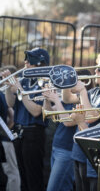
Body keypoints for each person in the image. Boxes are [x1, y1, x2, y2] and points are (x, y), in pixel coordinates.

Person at [62, 50, 100, 191]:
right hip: (79, 149)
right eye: (96, 67)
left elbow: (90, 116)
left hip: (92, 154)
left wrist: (83, 91)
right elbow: (67, 99)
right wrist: (66, 82)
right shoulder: (94, 92)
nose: (95, 71)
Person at [3, 47, 50, 191]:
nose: (25, 63)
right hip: (19, 131)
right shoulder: (22, 81)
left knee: (33, 178)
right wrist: (8, 86)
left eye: (30, 61)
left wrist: (20, 91)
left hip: (34, 133)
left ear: (40, 64)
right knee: (22, 177)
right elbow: (10, 104)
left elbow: (36, 111)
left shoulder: (44, 83)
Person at [43, 70, 93, 191]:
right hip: (57, 147)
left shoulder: (84, 102)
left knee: (54, 188)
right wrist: (47, 98)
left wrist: (56, 99)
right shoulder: (68, 100)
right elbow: (49, 113)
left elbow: (68, 122)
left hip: (67, 151)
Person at [0, 65, 21, 191]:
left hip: (5, 140)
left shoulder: (5, 93)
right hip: (4, 138)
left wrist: (6, 130)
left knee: (11, 171)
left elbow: (12, 116)